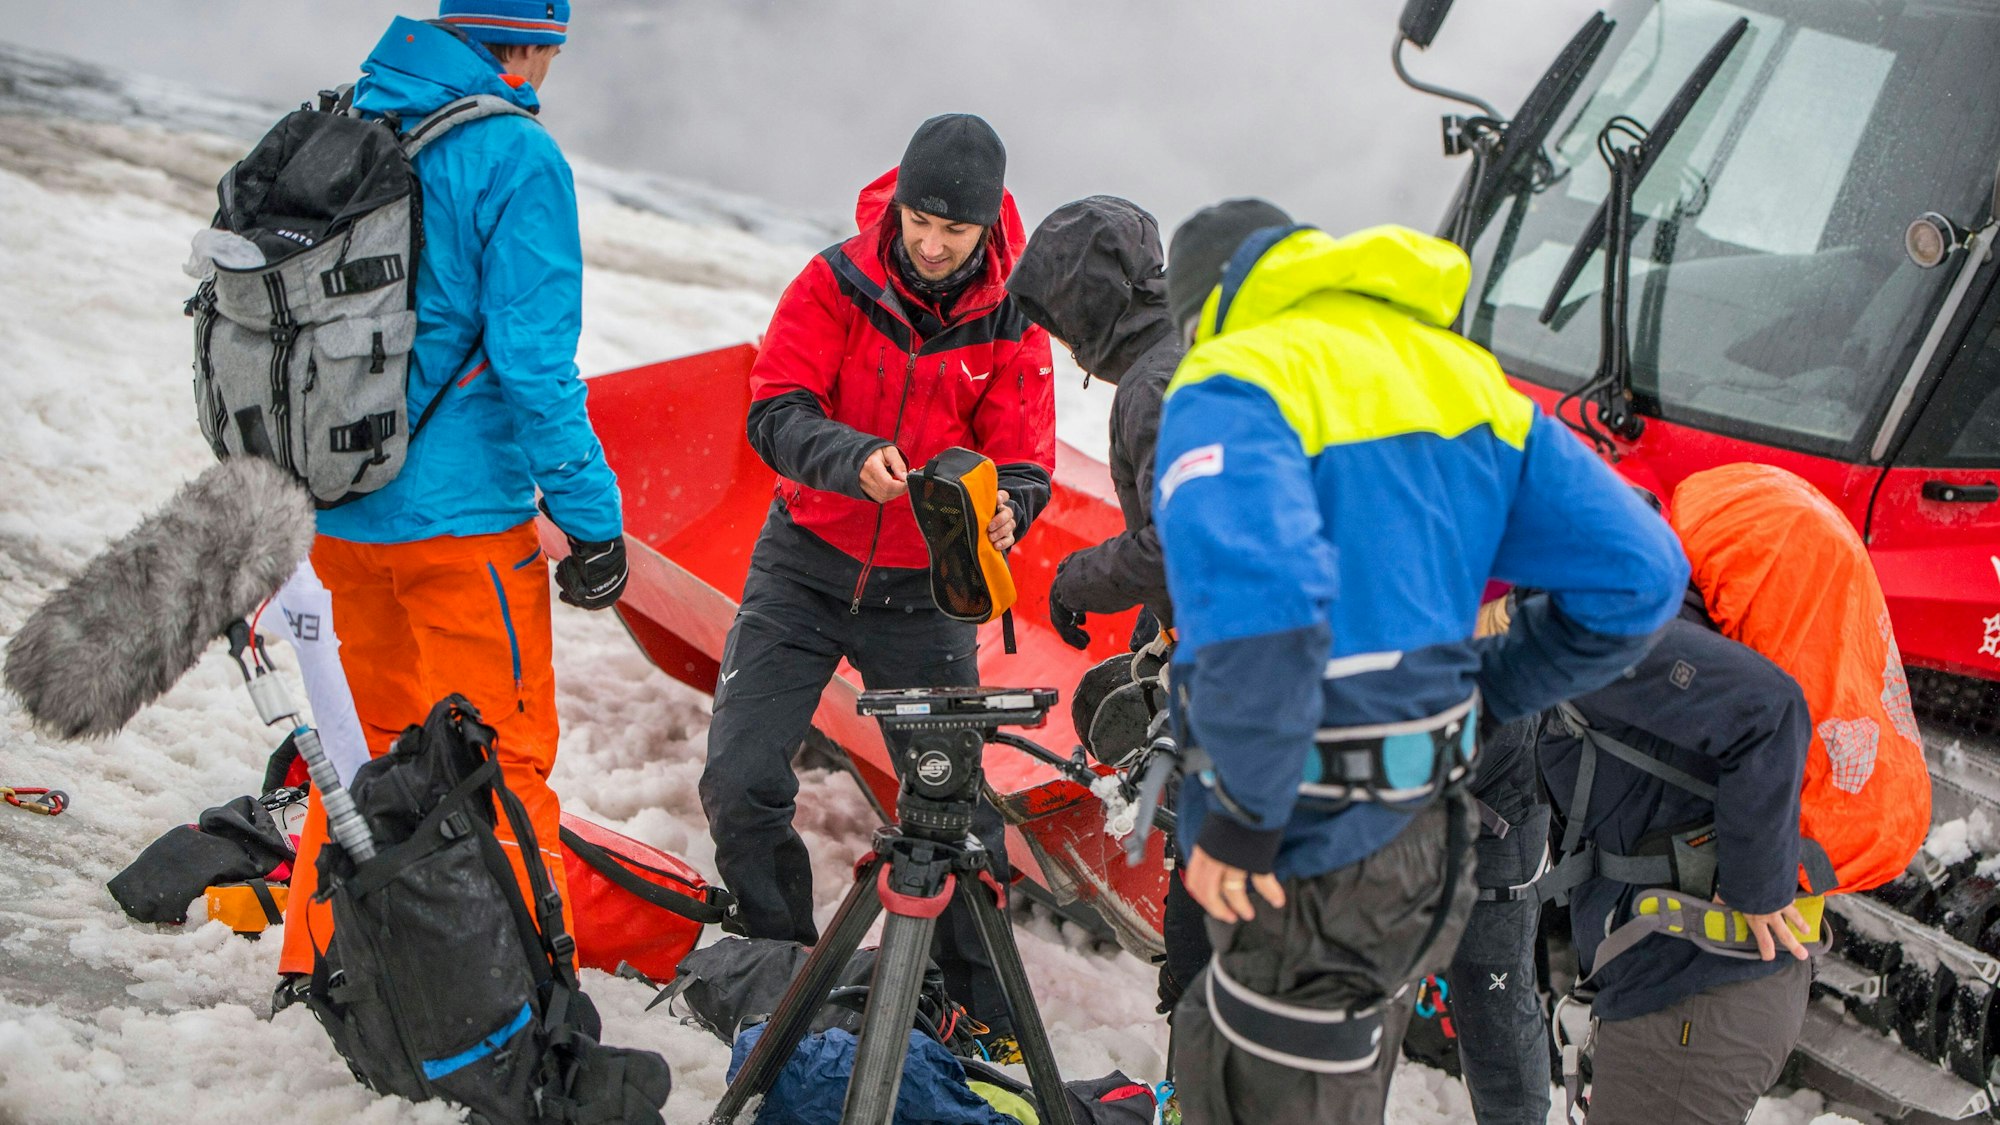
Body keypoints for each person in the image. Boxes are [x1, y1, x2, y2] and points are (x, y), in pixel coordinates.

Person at [1151, 201, 1689, 1125]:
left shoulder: (1232, 379)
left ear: (1205, 312)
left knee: (1259, 1098)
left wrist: (1242, 811)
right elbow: (1643, 574)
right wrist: (1493, 684)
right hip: (1426, 838)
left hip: (1304, 844)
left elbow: (1263, 602)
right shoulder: (1460, 379)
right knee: (1305, 1083)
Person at [278, 1, 628, 986]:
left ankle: (320, 971)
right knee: (500, 763)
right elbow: (533, 367)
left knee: (357, 753)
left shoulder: (349, 116)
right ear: (534, 46)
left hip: (335, 513)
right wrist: (593, 522)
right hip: (462, 529)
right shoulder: (514, 154)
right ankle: (527, 1001)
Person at [698, 113, 1055, 1056]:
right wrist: (849, 457)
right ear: (896, 205)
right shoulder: (834, 280)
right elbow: (774, 410)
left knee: (958, 814)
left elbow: (1025, 461)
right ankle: (780, 963)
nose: (932, 245)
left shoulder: (1014, 318)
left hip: (925, 595)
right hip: (804, 564)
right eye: (919, 222)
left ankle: (982, 1013)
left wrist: (1011, 508)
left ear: (988, 228)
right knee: (740, 777)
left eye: (954, 231)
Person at [1538, 463, 1929, 1124]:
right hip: (1691, 984)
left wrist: (1756, 886)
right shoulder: (1626, 583)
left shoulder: (1605, 625)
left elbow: (1768, 709)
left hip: (1692, 995)